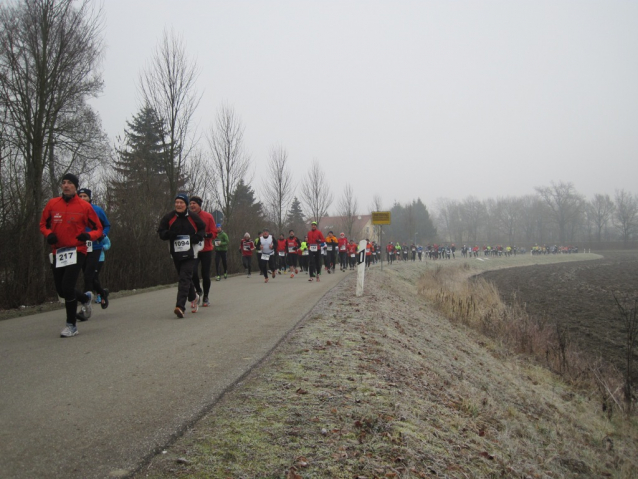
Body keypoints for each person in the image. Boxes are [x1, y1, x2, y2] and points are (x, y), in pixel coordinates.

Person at [40, 173, 103, 338]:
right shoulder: (53, 204)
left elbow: (98, 229)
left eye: (69, 183)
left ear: (75, 186)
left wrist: (89, 236)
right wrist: (49, 234)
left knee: (68, 286)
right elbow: (42, 224)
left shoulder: (84, 206)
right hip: (59, 251)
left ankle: (71, 325)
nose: (66, 185)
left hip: (77, 250)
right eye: (64, 183)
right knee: (61, 290)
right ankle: (84, 298)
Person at [157, 193, 206, 318]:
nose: (178, 205)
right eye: (177, 202)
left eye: (181, 202)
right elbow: (161, 232)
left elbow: (202, 229)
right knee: (185, 277)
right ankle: (194, 297)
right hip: (176, 253)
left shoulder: (193, 217)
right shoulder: (169, 217)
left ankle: (180, 307)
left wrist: (195, 238)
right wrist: (169, 234)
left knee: (184, 278)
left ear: (186, 204)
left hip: (191, 253)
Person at [77, 188, 111, 315]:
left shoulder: (97, 210)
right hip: (80, 247)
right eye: (80, 196)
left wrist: (102, 235)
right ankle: (102, 293)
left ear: (89, 198)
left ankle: (85, 308)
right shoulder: (74, 211)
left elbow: (107, 225)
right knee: (89, 276)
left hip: (95, 247)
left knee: (88, 276)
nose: (82, 198)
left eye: (85, 196)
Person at [189, 196, 216, 307]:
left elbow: (214, 233)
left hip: (206, 249)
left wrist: (205, 235)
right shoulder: (188, 217)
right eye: (190, 203)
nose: (192, 205)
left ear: (199, 204)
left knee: (205, 274)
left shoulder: (208, 216)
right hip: (193, 250)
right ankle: (198, 290)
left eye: (194, 203)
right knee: (193, 272)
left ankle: (206, 296)